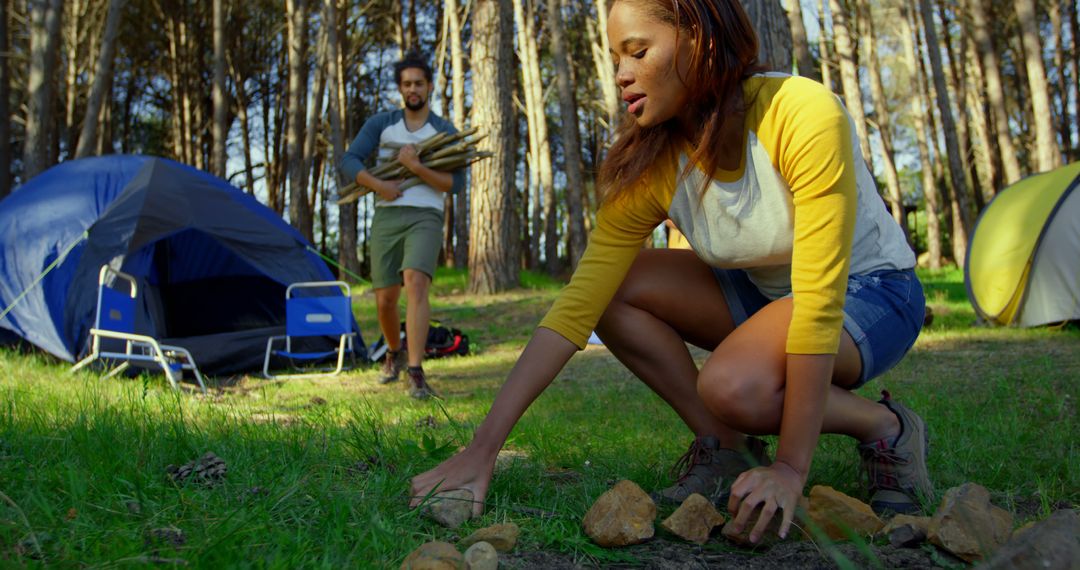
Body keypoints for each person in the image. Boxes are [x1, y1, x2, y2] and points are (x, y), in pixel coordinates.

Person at [410, 0, 931, 543]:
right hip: (764, 293)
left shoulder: (798, 111)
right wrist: (481, 449)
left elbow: (820, 300)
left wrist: (792, 471)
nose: (621, 74)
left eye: (638, 51)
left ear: (701, 40)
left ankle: (886, 428)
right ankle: (726, 446)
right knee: (614, 290)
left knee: (733, 386)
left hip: (869, 292)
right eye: (616, 58)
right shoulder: (654, 162)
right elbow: (577, 305)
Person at [339, 54, 464, 400]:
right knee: (385, 299)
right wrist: (380, 186)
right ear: (400, 89)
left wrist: (415, 167)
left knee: (416, 282)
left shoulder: (443, 130)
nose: (413, 89)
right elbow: (349, 160)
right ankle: (393, 351)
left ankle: (416, 371)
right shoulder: (383, 123)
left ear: (429, 87)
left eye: (419, 83)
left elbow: (454, 184)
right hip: (387, 214)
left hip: (426, 214)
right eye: (407, 83)